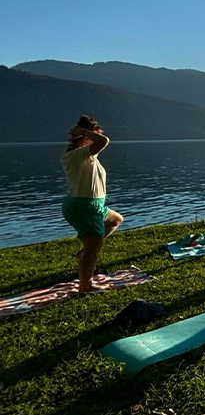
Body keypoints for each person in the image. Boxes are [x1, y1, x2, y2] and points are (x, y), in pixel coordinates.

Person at [60, 115, 124, 293]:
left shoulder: (88, 157)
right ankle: (85, 286)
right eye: (92, 135)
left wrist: (86, 133)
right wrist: (84, 132)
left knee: (115, 220)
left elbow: (100, 142)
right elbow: (104, 141)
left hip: (96, 205)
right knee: (93, 250)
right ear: (85, 137)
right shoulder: (75, 155)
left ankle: (86, 250)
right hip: (84, 206)